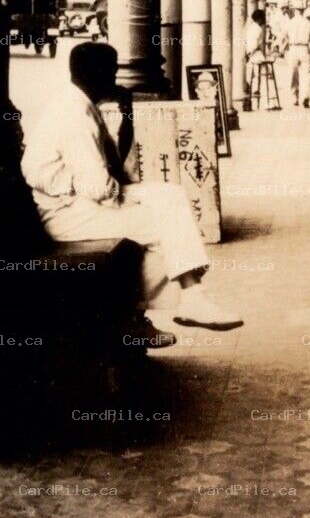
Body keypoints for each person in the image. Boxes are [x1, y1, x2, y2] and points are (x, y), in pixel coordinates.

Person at [21, 42, 242, 330]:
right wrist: (126, 198)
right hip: (67, 215)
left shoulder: (77, 103)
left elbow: (110, 172)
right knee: (165, 224)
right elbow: (99, 187)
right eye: (111, 74)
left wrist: (120, 123)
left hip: (79, 201)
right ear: (96, 74)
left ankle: (182, 301)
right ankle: (173, 304)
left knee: (171, 196)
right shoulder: (75, 115)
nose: (115, 81)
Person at [282, 1, 310, 107]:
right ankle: (306, 97)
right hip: (304, 48)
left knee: (293, 74)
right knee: (306, 74)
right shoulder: (309, 23)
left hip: (293, 48)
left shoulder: (289, 23)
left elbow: (285, 37)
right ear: (303, 10)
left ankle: (295, 97)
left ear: (294, 10)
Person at [243, 7, 269, 102]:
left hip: (249, 52)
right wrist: (253, 52)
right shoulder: (259, 29)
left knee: (251, 72)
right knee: (257, 72)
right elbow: (255, 44)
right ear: (260, 19)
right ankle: (255, 89)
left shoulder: (250, 27)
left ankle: (251, 88)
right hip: (254, 53)